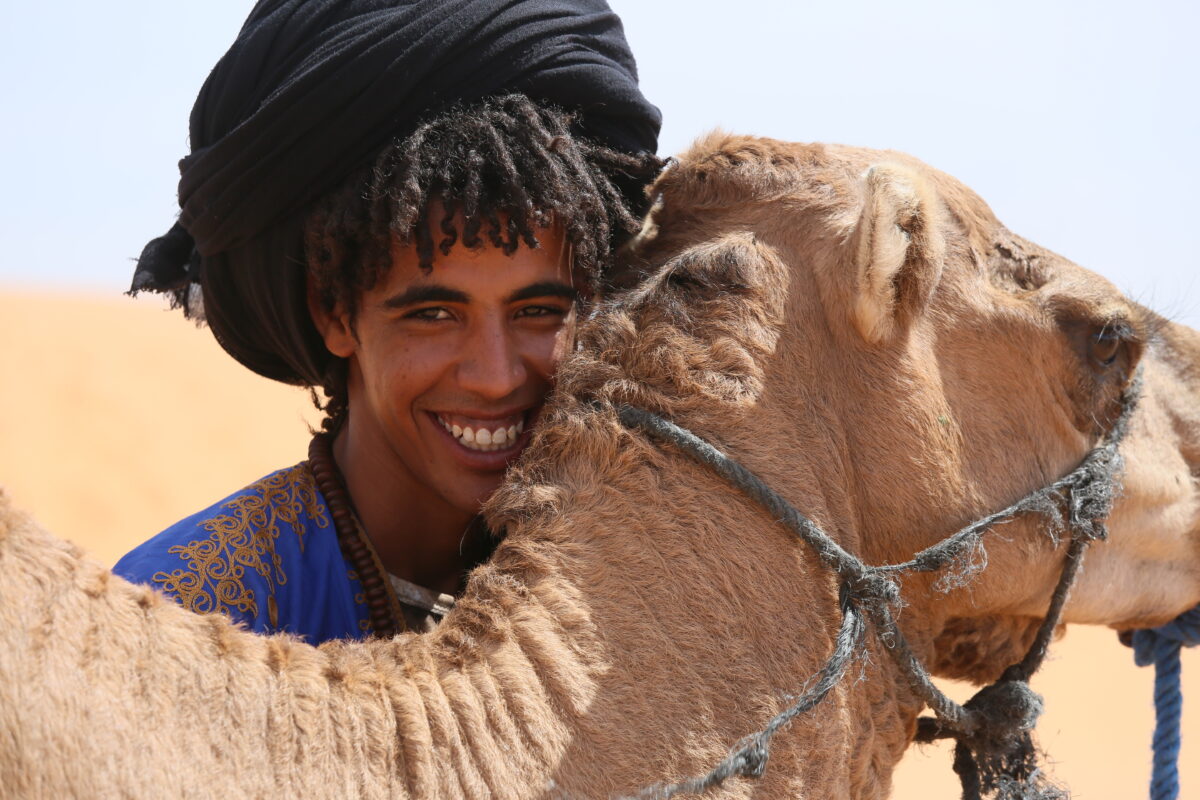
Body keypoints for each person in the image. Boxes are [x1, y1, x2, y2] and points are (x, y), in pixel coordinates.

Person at [113, 0, 661, 643]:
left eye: (537, 312)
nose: (494, 375)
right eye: (433, 315)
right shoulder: (186, 617)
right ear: (335, 314)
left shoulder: (640, 615)